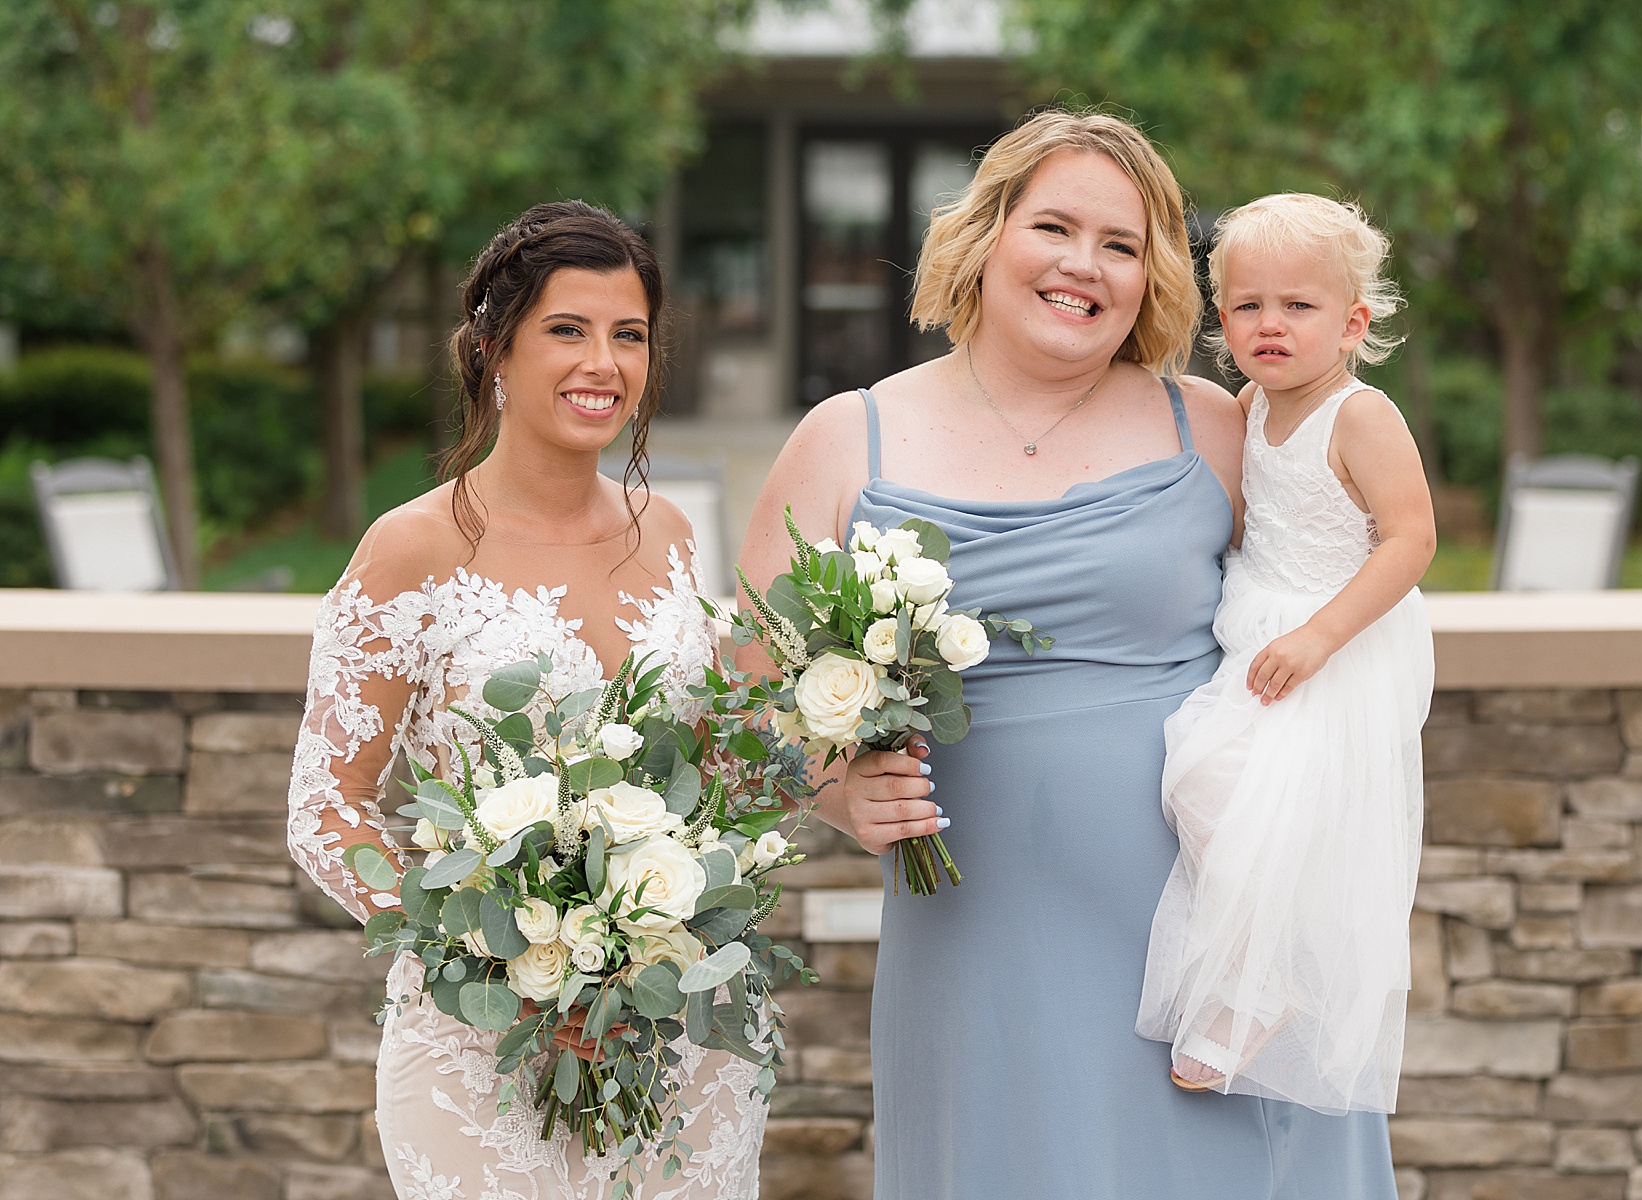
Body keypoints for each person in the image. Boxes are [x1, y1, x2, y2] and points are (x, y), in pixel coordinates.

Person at [739, 111, 1401, 1198]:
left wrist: (1295, 904)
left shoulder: (1216, 429)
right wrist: (832, 787)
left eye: (1124, 245)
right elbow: (746, 696)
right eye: (1055, 225)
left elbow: (1344, 631)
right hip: (983, 941)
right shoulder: (846, 437)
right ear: (988, 234)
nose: (1083, 266)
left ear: (1153, 280)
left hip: (1217, 945)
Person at [286, 201, 766, 1200]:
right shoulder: (410, 549)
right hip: (484, 1040)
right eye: (568, 330)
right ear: (493, 349)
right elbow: (326, 811)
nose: (605, 363)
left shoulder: (671, 530)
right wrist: (489, 956)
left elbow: (703, 766)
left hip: (675, 1028)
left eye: (628, 336)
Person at [1138, 192, 1436, 1115]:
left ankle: (1261, 985)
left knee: (1267, 810)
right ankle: (1254, 969)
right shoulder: (1248, 403)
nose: (1271, 325)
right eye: (1247, 305)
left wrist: (1319, 636)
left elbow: (1410, 538)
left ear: (1352, 324)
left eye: (1298, 307)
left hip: (1338, 644)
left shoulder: (1361, 416)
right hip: (1259, 638)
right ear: (1221, 318)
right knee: (1196, 778)